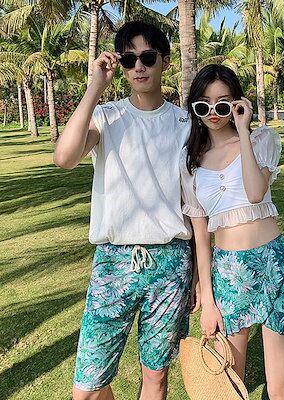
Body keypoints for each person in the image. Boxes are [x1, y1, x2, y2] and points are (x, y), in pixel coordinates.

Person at [54, 20, 199, 400]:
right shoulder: (106, 116)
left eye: (148, 57)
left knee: (156, 377)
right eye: (129, 59)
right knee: (88, 386)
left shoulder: (184, 124)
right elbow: (65, 157)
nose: (139, 66)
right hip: (113, 262)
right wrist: (94, 87)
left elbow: (194, 205)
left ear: (165, 61)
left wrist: (199, 274)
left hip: (171, 262)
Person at [180, 64, 284, 400]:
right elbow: (201, 237)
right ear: (195, 109)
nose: (214, 112)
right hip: (229, 271)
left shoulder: (261, 140)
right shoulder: (190, 161)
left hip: (274, 264)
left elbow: (256, 192)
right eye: (204, 104)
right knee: (229, 384)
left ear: (237, 103)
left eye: (223, 103)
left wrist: (243, 131)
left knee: (280, 386)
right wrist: (208, 300)